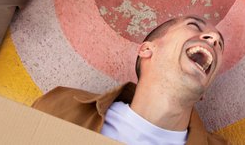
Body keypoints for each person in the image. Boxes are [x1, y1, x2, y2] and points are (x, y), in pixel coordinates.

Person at [33, 15, 228, 145]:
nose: (213, 40)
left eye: (219, 44)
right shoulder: (60, 108)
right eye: (193, 26)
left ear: (204, 91)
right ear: (146, 50)